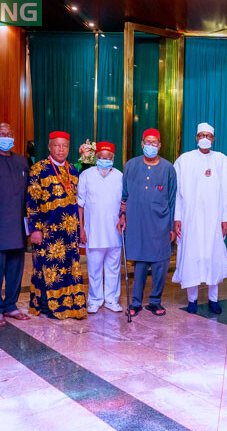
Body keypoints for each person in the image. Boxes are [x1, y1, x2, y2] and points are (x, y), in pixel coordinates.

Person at [173, 123, 227, 314]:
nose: (205, 138)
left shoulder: (221, 160)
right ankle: (192, 300)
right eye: (201, 135)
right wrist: (178, 218)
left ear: (213, 139)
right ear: (196, 137)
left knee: (213, 257)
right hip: (190, 219)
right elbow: (177, 193)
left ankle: (213, 299)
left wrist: (225, 219)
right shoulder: (184, 160)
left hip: (214, 219)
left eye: (208, 136)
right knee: (191, 256)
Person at [27, 131, 86, 319]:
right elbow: (32, 201)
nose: (61, 149)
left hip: (69, 232)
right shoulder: (39, 169)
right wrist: (35, 229)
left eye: (65, 146)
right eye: (57, 145)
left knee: (69, 269)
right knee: (48, 269)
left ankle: (69, 305)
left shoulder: (73, 170)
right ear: (50, 147)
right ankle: (47, 307)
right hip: (48, 231)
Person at [118, 129, 176, 317]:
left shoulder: (168, 168)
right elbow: (124, 195)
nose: (151, 146)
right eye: (147, 142)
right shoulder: (131, 165)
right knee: (140, 263)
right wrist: (122, 215)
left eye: (155, 143)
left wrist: (172, 226)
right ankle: (135, 303)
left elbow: (173, 199)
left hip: (161, 223)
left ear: (160, 146)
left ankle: (155, 301)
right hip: (137, 222)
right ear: (142, 144)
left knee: (160, 263)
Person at [0, 123, 30, 327]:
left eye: (9, 134)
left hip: (18, 224)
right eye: (2, 134)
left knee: (16, 268)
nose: (6, 137)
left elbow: (30, 194)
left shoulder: (22, 161)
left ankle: (11, 305)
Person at [77, 141, 123, 314]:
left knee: (113, 268)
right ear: (96, 158)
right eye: (101, 157)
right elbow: (80, 205)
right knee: (94, 269)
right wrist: (81, 229)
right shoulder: (86, 175)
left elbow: (124, 203)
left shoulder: (120, 176)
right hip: (93, 231)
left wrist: (124, 215)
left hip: (114, 232)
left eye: (108, 158)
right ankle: (95, 300)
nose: (105, 160)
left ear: (113, 158)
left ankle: (111, 299)